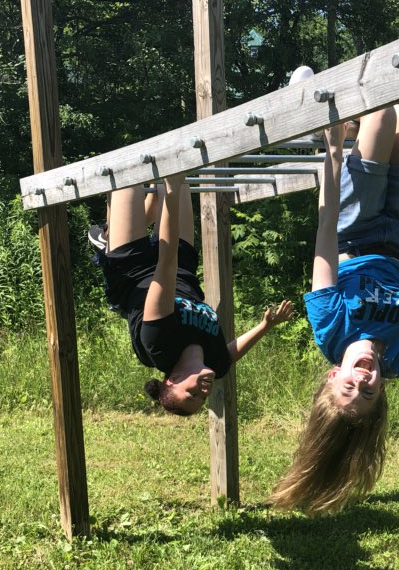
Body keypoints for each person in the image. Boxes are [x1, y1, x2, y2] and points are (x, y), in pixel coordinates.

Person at [270, 100, 399, 514]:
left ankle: (327, 129)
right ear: (381, 390)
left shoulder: (329, 326)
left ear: (334, 374)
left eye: (349, 385)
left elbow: (326, 231)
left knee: (383, 112)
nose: (364, 378)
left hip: (354, 229)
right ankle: (347, 130)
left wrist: (332, 155)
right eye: (368, 392)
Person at [89, 173, 293, 416]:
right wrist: (266, 325)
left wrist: (171, 193)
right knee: (178, 173)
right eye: (202, 399)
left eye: (192, 394)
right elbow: (230, 354)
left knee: (128, 174)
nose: (204, 392)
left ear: (171, 380)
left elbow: (165, 263)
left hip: (133, 271)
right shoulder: (216, 363)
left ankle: (109, 240)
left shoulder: (159, 344)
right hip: (183, 268)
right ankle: (123, 225)